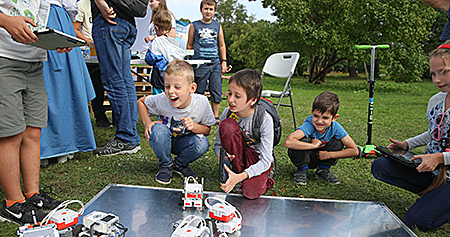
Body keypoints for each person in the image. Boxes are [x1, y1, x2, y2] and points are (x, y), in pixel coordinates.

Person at [0, 1, 65, 225]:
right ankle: (13, 205)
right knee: (10, 134)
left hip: (33, 59)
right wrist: (6, 22)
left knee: (32, 133)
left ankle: (33, 196)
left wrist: (53, 40)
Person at [371, 42, 450, 231]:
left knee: (418, 221)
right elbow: (435, 133)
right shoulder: (436, 100)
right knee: (380, 166)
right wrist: (407, 144)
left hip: (443, 167)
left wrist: (440, 157)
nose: (437, 79)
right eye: (433, 73)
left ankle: (439, 199)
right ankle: (436, 194)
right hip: (435, 172)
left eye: (444, 71)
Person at [137, 60, 216, 184]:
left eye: (177, 87)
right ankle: (165, 165)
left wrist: (194, 126)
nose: (171, 91)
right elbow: (141, 102)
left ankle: (180, 165)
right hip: (165, 140)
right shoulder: (162, 99)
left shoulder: (202, 102)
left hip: (185, 143)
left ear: (192, 88)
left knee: (202, 144)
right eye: (167, 86)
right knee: (157, 129)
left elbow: (207, 130)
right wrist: (147, 123)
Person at [40, 0, 96, 162]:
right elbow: (71, 5)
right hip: (56, 20)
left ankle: (43, 147)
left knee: (45, 84)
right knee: (64, 86)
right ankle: (65, 145)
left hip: (36, 18)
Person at [92, 0, 145, 156]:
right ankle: (130, 135)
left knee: (114, 81)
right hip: (127, 23)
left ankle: (126, 137)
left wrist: (100, 2)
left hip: (109, 21)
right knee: (125, 81)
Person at [213, 69, 275, 200]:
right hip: (238, 156)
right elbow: (218, 145)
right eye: (229, 94)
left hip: (256, 158)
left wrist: (241, 177)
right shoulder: (227, 113)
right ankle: (236, 171)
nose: (231, 100)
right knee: (228, 125)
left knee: (250, 192)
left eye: (237, 96)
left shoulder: (264, 119)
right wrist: (223, 157)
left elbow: (265, 160)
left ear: (252, 100)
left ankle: (265, 177)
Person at [284, 92, 359, 186]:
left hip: (322, 156)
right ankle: (302, 170)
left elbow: (354, 151)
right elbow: (288, 142)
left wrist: (329, 155)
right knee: (302, 139)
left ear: (334, 118)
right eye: (316, 116)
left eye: (325, 117)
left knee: (338, 141)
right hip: (305, 156)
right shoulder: (309, 125)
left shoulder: (336, 127)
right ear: (312, 111)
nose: (319, 121)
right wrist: (312, 145)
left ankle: (323, 169)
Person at [186, 0, 227, 123]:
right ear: (201, 10)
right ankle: (197, 115)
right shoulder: (194, 25)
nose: (208, 11)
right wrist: (189, 62)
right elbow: (189, 45)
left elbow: (221, 45)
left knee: (216, 88)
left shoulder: (217, 26)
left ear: (214, 11)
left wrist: (223, 61)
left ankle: (215, 116)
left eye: (211, 9)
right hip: (199, 63)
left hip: (214, 63)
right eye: (206, 8)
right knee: (199, 90)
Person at [73, 0, 111, 128]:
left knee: (113, 84)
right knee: (96, 86)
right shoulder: (82, 4)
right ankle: (100, 117)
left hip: (108, 48)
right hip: (91, 51)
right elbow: (75, 29)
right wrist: (89, 41)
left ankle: (118, 117)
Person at [145, 10, 186, 94]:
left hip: (160, 78)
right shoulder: (175, 42)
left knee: (158, 100)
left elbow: (149, 59)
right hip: (174, 76)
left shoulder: (156, 42)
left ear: (156, 27)